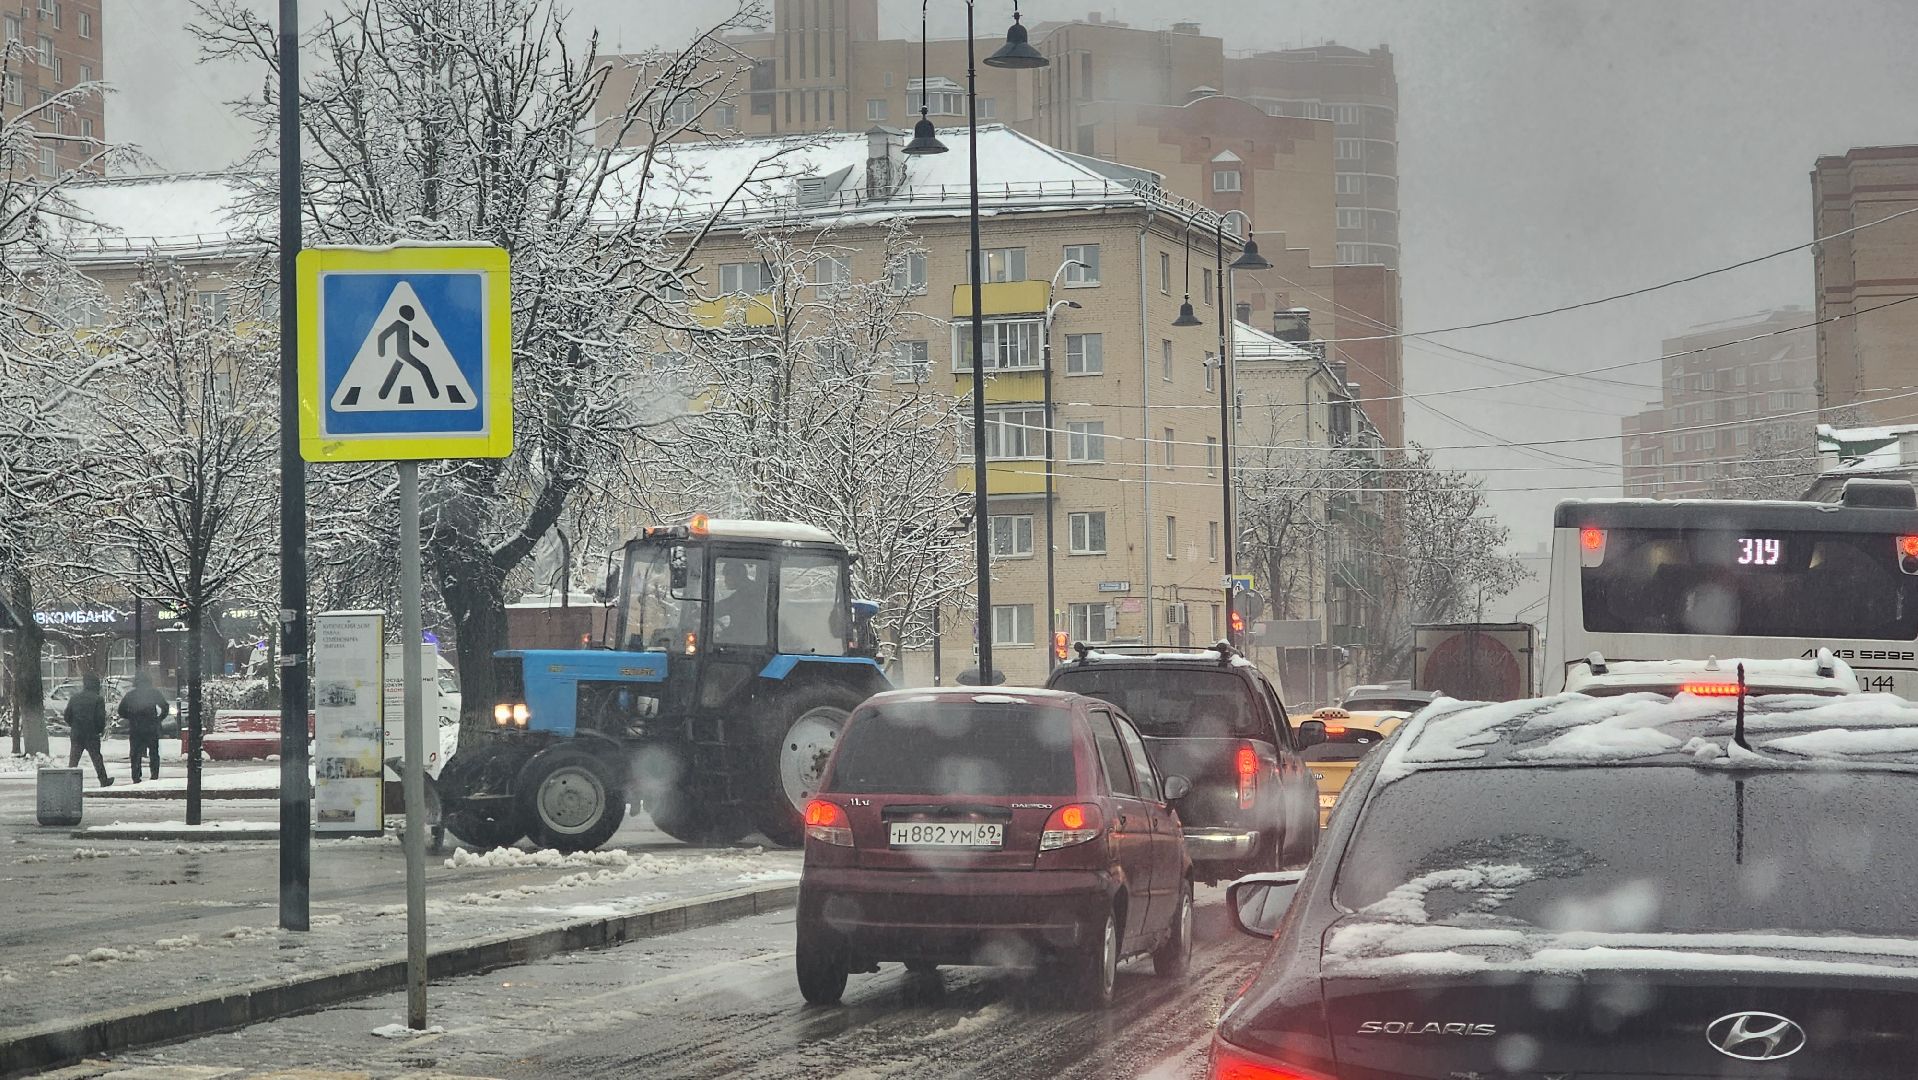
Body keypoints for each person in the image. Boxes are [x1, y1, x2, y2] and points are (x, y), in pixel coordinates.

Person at [118, 673, 170, 783]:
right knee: (154, 752)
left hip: (136, 728)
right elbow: (165, 707)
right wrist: (159, 718)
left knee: (135, 753)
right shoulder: (154, 693)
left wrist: (131, 717)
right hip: (151, 727)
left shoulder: (131, 695)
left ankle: (136, 776)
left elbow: (121, 711)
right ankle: (154, 774)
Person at [63, 673, 113, 787]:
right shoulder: (98, 699)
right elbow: (100, 718)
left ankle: (68, 782)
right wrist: (99, 729)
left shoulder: (75, 698)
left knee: (74, 759)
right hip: (91, 734)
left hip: (77, 733)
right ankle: (103, 780)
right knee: (97, 758)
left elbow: (67, 716)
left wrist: (75, 725)